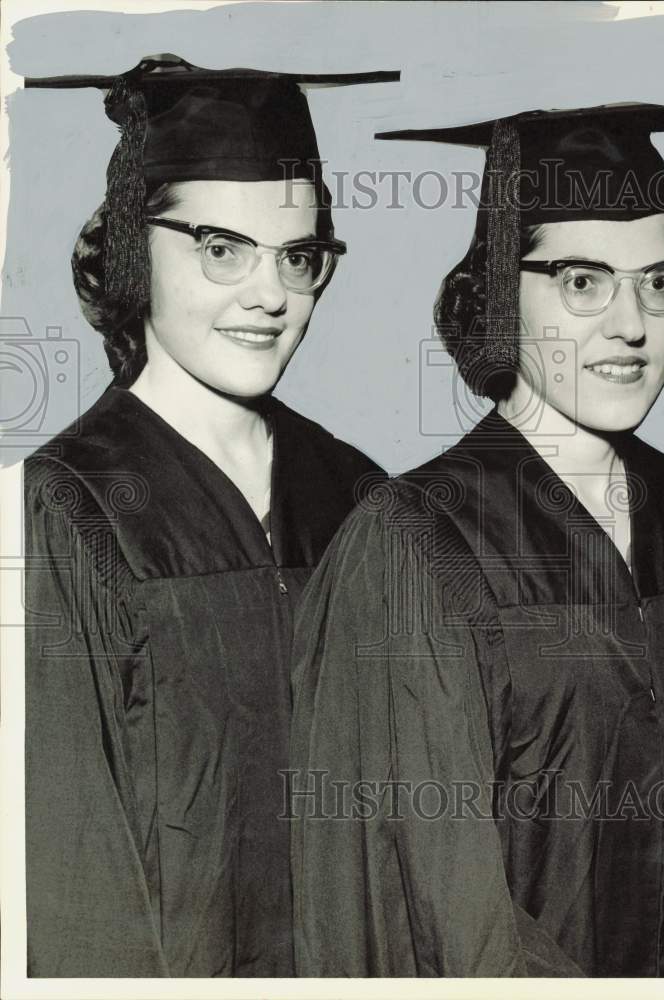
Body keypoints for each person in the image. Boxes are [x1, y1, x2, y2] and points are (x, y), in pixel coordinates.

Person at [290, 104, 664, 977]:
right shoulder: (418, 543)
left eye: (661, 281)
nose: (632, 325)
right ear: (498, 290)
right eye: (584, 282)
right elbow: (442, 908)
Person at [23, 54, 396, 977]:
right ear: (129, 246)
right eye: (222, 249)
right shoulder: (66, 501)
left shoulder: (360, 495)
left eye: (298, 257)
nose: (269, 296)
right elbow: (71, 867)